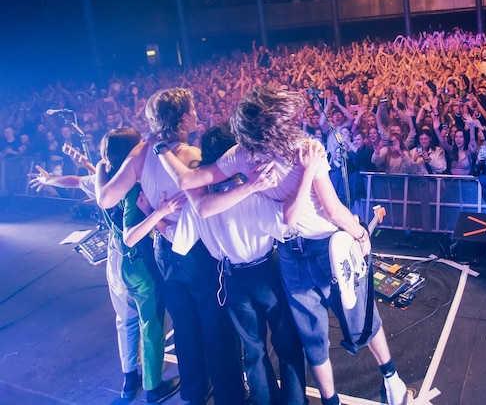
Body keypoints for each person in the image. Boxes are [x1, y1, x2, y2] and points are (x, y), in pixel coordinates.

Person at [156, 86, 409, 405]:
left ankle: (334, 401)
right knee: (360, 317)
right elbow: (331, 210)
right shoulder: (307, 149)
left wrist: (161, 149)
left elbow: (188, 182)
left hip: (290, 255)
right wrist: (359, 233)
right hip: (326, 248)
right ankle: (391, 379)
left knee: (313, 338)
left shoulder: (242, 155)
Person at [95, 88, 246, 405]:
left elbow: (105, 198)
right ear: (181, 118)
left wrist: (100, 169)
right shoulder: (190, 156)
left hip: (165, 254)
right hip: (199, 253)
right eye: (192, 109)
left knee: (184, 327)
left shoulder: (139, 154)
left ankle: (193, 393)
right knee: (214, 326)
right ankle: (230, 396)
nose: (196, 112)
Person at [155, 123, 306, 405]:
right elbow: (286, 226)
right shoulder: (254, 192)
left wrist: (156, 217)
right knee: (287, 346)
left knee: (254, 353)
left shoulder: (200, 202)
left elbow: (180, 240)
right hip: (266, 273)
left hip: (232, 281)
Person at [30, 130, 179, 403]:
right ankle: (153, 386)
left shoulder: (104, 181)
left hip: (114, 260)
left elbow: (75, 181)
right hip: (139, 263)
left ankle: (128, 378)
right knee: (152, 323)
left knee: (124, 320)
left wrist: (50, 180)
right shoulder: (135, 186)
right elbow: (131, 232)